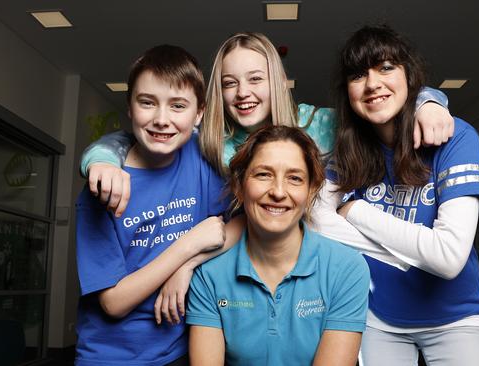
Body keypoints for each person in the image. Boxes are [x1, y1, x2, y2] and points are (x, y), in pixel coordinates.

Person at [78, 32, 454, 217]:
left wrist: (429, 100)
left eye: (255, 79)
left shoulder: (318, 123)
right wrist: (102, 161)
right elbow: (134, 137)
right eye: (229, 83)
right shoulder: (210, 139)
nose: (243, 93)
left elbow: (375, 101)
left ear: (275, 80)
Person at [311, 25, 479, 365]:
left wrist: (356, 212)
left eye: (385, 68)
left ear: (409, 76)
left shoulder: (455, 138)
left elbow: (448, 257)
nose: (372, 84)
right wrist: (410, 253)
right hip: (377, 319)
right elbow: (318, 223)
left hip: (456, 316)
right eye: (358, 75)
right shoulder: (345, 154)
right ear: (347, 92)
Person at [74, 45, 241, 366]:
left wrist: (187, 266)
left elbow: (243, 221)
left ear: (200, 113)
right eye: (147, 103)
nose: (162, 120)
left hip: (183, 349)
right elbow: (113, 302)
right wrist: (187, 246)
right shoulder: (103, 186)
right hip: (113, 357)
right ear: (130, 106)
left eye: (178, 106)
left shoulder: (201, 159)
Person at [186, 125, 370, 366]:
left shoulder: (347, 269)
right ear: (239, 187)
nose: (278, 192)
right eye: (263, 174)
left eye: (294, 178)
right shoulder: (209, 275)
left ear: (311, 190)